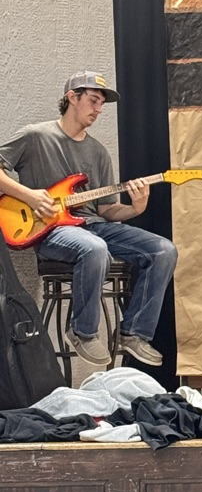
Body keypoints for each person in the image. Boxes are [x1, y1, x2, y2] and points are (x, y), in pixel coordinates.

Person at [0, 72, 177, 367]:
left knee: (164, 251)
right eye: (93, 101)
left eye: (101, 105)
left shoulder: (98, 152)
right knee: (93, 248)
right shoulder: (36, 136)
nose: (98, 109)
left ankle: (133, 333)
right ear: (72, 97)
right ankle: (82, 331)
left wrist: (137, 207)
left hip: (92, 225)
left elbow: (107, 211)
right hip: (50, 230)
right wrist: (30, 196)